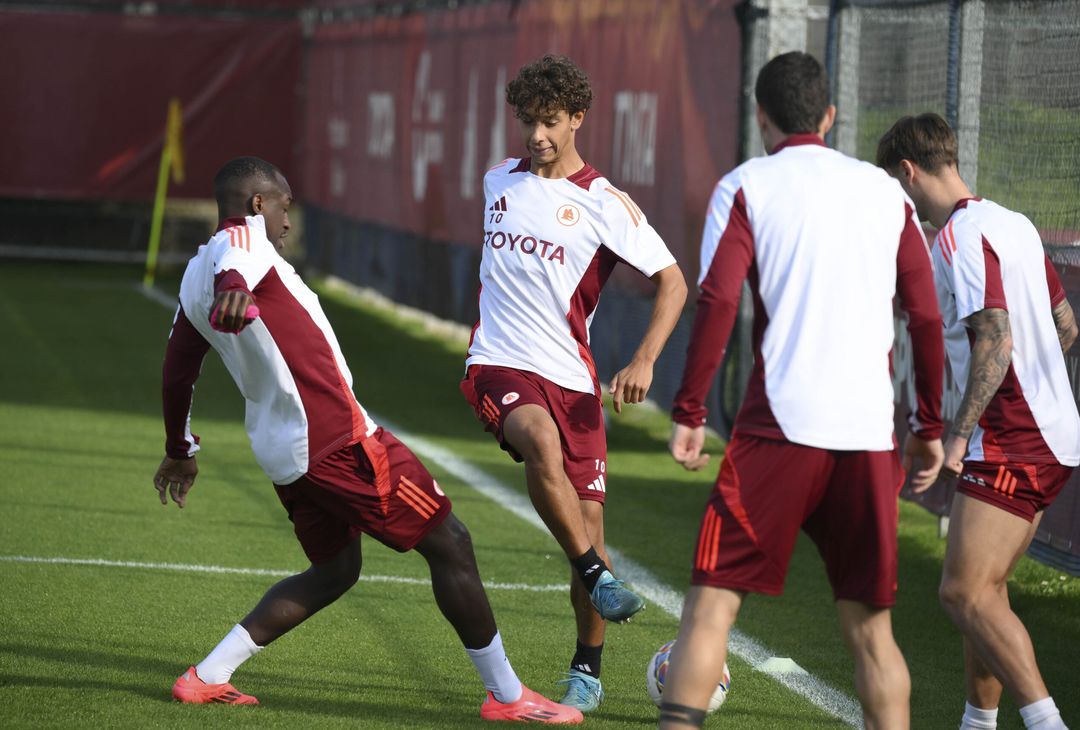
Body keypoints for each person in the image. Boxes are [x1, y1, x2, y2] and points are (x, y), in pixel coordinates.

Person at [153, 156, 581, 724]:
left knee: (336, 571)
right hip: (338, 441)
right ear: (259, 204)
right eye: (284, 204)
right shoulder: (242, 244)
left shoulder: (190, 273)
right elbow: (236, 260)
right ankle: (508, 696)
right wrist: (234, 288)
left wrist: (180, 450)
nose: (288, 219)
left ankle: (205, 677)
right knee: (450, 541)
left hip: (285, 453)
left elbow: (176, 370)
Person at [661, 52, 946, 730]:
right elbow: (927, 316)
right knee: (872, 632)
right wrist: (928, 425)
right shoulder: (888, 194)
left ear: (761, 116)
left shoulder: (746, 185)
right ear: (830, 114)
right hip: (869, 435)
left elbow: (720, 299)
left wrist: (690, 408)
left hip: (778, 429)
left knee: (712, 607)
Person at [459, 54, 688, 713]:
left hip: (574, 381)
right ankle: (595, 574)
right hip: (497, 363)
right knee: (537, 442)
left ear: (578, 119)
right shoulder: (497, 179)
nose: (536, 135)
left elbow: (673, 283)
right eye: (527, 122)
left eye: (550, 122)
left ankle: (586, 668)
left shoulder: (604, 204)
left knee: (588, 523)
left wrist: (644, 359)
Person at [877, 113, 1079, 730]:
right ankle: (978, 721)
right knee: (985, 593)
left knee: (961, 593)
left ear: (909, 171)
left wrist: (958, 435)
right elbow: (1067, 326)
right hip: (1047, 433)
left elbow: (995, 341)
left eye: (896, 184)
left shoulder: (959, 236)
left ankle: (1047, 723)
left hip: (1013, 439)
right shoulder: (1013, 222)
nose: (901, 199)